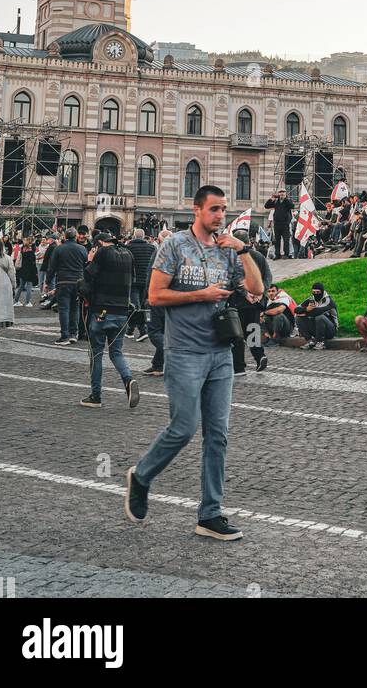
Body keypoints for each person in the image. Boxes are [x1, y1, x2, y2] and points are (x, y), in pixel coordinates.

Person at [125, 184, 266, 541]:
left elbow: (257, 290)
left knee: (218, 435)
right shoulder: (174, 246)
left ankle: (210, 513)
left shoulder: (228, 250)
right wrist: (201, 294)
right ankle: (141, 476)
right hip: (184, 351)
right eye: (215, 209)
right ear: (197, 210)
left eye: (224, 210)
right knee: (184, 427)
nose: (221, 216)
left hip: (220, 353)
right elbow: (155, 296)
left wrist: (244, 249)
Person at [80, 222, 140, 410]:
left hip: (101, 311)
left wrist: (90, 260)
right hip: (122, 312)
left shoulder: (102, 254)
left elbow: (89, 277)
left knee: (97, 353)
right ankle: (128, 380)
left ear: (98, 245)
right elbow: (134, 280)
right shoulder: (128, 254)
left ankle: (96, 396)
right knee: (116, 352)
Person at [231, 233, 271, 376]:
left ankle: (239, 366)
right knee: (252, 331)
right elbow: (268, 277)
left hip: (239, 302)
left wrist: (246, 294)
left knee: (237, 334)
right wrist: (260, 293)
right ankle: (259, 356)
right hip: (255, 303)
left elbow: (236, 278)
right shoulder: (259, 256)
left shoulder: (236, 256)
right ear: (249, 241)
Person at [49, 226, 89, 346]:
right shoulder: (82, 249)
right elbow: (85, 264)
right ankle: (73, 334)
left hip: (63, 281)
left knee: (64, 309)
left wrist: (47, 281)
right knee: (75, 308)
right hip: (78, 282)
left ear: (65, 237)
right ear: (76, 236)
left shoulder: (59, 249)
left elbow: (52, 266)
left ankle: (65, 335)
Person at [144, 228, 172, 377]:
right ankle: (157, 365)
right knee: (164, 331)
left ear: (160, 240)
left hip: (157, 298)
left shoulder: (159, 253)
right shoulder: (178, 255)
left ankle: (172, 355)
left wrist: (147, 296)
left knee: (154, 331)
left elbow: (151, 275)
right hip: (170, 299)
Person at [125, 226, 156, 340]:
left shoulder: (128, 247)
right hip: (147, 281)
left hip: (134, 280)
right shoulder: (152, 248)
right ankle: (130, 330)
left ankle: (143, 330)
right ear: (144, 237)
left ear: (134, 236)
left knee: (135, 306)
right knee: (143, 306)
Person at [295, 283, 339, 350]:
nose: (316, 294)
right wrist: (306, 309)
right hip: (316, 328)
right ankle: (309, 341)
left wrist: (305, 312)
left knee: (319, 317)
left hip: (330, 330)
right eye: (314, 292)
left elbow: (317, 312)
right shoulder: (311, 299)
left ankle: (320, 342)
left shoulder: (328, 301)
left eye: (318, 292)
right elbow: (296, 309)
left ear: (322, 291)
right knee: (298, 318)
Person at [264, 189, 295, 261]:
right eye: (280, 193)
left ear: (285, 193)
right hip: (277, 224)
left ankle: (286, 254)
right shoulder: (276, 201)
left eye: (283, 192)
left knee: (286, 240)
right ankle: (277, 254)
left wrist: (285, 199)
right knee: (277, 240)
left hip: (285, 224)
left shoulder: (288, 201)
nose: (281, 194)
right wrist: (272, 198)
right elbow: (266, 206)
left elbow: (292, 206)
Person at [14, 238, 39, 306]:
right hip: (30, 271)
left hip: (23, 270)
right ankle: (28, 302)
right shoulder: (31, 253)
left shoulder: (23, 250)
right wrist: (35, 273)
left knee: (21, 286)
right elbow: (33, 264)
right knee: (29, 287)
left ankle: (16, 301)